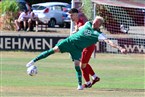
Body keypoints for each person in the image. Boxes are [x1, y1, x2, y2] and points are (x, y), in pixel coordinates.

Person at [26, 16, 127, 90]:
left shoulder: (98, 34)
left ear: (98, 25)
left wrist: (120, 48)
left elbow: (109, 42)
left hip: (77, 49)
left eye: (95, 22)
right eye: (93, 21)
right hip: (69, 42)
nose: (93, 23)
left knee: (77, 66)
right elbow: (80, 28)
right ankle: (33, 61)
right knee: (52, 50)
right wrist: (76, 30)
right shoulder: (88, 24)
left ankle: (80, 85)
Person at [68, 8, 99, 88]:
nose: (70, 17)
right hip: (84, 46)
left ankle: (89, 82)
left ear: (76, 15)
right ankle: (94, 77)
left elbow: (84, 30)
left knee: (82, 64)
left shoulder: (81, 22)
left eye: (71, 15)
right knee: (83, 63)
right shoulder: (77, 22)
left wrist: (76, 31)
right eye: (69, 15)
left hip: (88, 46)